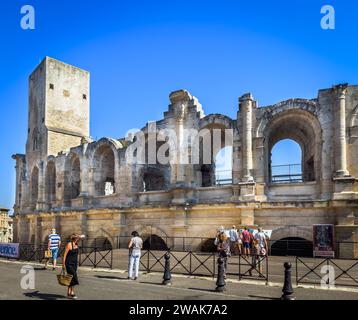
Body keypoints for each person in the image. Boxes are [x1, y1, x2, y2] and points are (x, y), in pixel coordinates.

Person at [62, 234, 84, 299]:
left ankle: (69, 293)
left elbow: (82, 238)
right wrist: (63, 264)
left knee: (70, 278)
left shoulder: (76, 244)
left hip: (74, 264)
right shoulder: (69, 244)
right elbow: (65, 255)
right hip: (68, 263)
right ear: (74, 239)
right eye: (77, 238)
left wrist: (80, 236)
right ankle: (72, 292)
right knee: (74, 276)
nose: (78, 239)